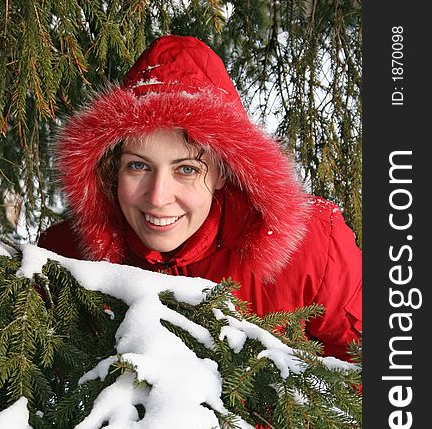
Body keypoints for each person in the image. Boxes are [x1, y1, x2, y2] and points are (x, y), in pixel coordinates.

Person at [39, 34, 362, 361]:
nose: (158, 197)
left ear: (223, 170)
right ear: (112, 168)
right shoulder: (68, 256)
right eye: (138, 166)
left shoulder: (308, 246)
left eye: (187, 169)